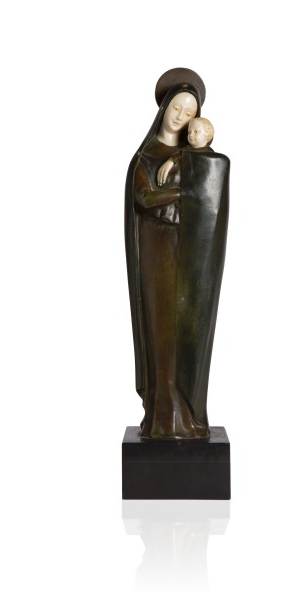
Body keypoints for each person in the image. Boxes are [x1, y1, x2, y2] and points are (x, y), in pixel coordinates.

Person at [125, 69, 229, 440]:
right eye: (176, 108)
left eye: (189, 113)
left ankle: (187, 415)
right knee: (161, 331)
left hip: (189, 252)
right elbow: (144, 198)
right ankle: (162, 418)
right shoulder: (147, 156)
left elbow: (211, 193)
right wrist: (182, 191)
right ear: (165, 107)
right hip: (157, 253)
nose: (180, 117)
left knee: (188, 328)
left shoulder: (194, 156)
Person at [157, 117, 215, 186]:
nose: (191, 135)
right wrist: (171, 161)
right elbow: (179, 155)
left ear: (207, 135)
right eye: (189, 132)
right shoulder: (185, 150)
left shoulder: (210, 155)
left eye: (196, 132)